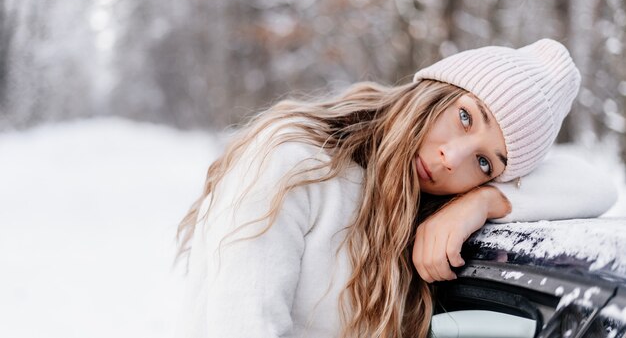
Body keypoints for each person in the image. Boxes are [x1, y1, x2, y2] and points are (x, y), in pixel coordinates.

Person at [175, 39, 616, 338]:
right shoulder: (297, 160)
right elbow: (239, 323)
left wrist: (486, 201)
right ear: (437, 89)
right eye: (465, 117)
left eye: (485, 163)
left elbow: (597, 187)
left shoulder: (417, 206)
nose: (452, 159)